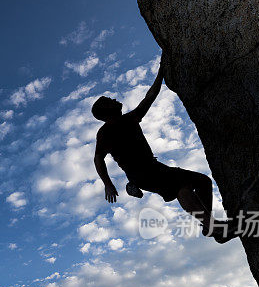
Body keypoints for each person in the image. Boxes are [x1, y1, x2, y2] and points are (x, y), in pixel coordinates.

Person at [91, 53, 236, 243]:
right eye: (110, 100)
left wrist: (161, 71)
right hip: (142, 174)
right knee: (182, 188)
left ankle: (210, 227)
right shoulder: (105, 133)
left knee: (202, 182)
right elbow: (98, 159)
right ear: (106, 111)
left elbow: (149, 97)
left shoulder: (130, 118)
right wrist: (108, 184)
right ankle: (215, 228)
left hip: (153, 168)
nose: (114, 99)